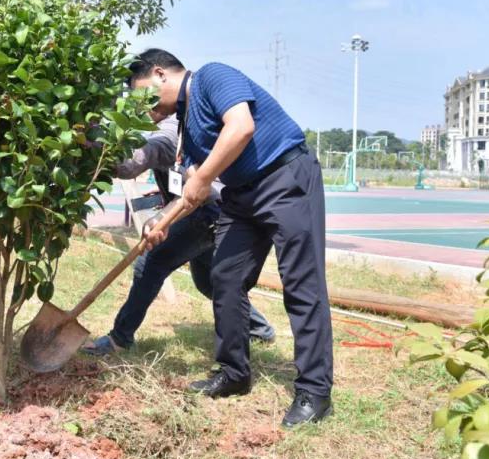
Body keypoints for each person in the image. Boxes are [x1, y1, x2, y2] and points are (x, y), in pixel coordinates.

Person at [132, 49, 333, 428]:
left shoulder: (212, 76)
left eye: (143, 95)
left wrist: (203, 176)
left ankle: (315, 391)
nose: (145, 108)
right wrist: (162, 220)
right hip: (242, 197)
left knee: (302, 285)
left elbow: (240, 127)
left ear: (160, 74)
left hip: (285, 177)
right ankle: (234, 373)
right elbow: (194, 189)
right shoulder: (186, 128)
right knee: (223, 276)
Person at [81, 114, 275, 356]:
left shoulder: (172, 129)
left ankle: (119, 338)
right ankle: (260, 329)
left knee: (151, 263)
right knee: (207, 282)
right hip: (205, 211)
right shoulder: (179, 122)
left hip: (205, 213)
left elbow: (137, 160)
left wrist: (92, 138)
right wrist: (168, 190)